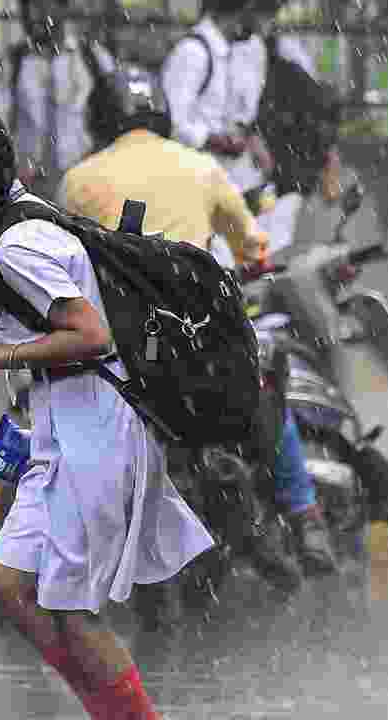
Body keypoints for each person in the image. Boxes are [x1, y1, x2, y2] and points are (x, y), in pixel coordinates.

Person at [0, 97, 212, 720]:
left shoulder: (19, 240)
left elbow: (92, 334)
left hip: (94, 429)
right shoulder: (15, 224)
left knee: (71, 611)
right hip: (62, 424)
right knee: (4, 584)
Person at [61, 68, 338, 579]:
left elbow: (65, 264)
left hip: (126, 356)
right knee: (266, 380)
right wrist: (250, 260)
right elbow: (253, 246)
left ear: (100, 118)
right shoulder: (201, 167)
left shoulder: (78, 180)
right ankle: (304, 513)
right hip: (202, 347)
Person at [161, 0, 273, 266]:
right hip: (191, 185)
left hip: (223, 183)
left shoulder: (231, 49)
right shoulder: (194, 53)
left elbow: (239, 114)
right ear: (240, 11)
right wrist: (216, 140)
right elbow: (173, 123)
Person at [237, 0, 344, 256]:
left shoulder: (283, 53)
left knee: (270, 247)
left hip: (284, 167)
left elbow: (318, 109)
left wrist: (325, 162)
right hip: (263, 167)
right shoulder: (248, 49)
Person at [0, 0, 116, 202]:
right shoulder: (11, 63)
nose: (32, 15)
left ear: (63, 9)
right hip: (31, 185)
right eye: (26, 7)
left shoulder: (93, 58)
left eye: (42, 6)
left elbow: (115, 114)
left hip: (84, 180)